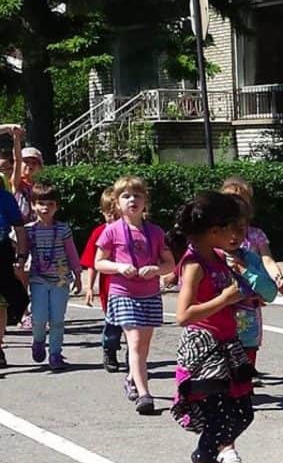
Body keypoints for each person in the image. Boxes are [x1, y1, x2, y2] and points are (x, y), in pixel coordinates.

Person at [169, 191, 254, 463]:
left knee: (243, 413)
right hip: (204, 351)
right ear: (213, 230)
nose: (235, 234)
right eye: (230, 227)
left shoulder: (218, 257)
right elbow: (183, 314)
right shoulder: (193, 263)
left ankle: (203, 459)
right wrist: (224, 298)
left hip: (227, 346)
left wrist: (243, 297)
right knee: (219, 421)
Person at [95, 176, 175, 415]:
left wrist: (156, 269)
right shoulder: (112, 231)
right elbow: (99, 262)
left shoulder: (156, 232)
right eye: (126, 196)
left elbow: (169, 263)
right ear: (117, 203)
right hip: (123, 293)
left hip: (149, 293)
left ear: (145, 202)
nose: (132, 200)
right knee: (136, 343)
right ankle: (144, 394)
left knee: (143, 346)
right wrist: (119, 267)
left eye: (137, 195)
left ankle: (131, 378)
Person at [24, 182, 82, 370]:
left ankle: (55, 354)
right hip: (38, 278)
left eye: (50, 204)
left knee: (57, 318)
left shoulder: (63, 229)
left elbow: (71, 252)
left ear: (56, 206)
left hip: (61, 279)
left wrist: (78, 274)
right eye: (41, 203)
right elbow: (22, 252)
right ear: (33, 205)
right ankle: (38, 340)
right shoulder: (29, 230)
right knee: (39, 317)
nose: (45, 208)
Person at [224, 194, 280, 370]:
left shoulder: (249, 258)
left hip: (247, 333)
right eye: (228, 229)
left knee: (243, 385)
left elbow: (270, 293)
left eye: (240, 229)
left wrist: (244, 270)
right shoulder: (209, 258)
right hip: (219, 334)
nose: (234, 236)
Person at [81, 187, 124, 372]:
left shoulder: (130, 231)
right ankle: (110, 349)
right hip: (109, 288)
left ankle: (134, 355)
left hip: (131, 287)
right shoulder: (99, 233)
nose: (112, 219)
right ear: (103, 213)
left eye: (116, 215)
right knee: (113, 324)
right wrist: (90, 288)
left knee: (132, 324)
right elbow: (92, 263)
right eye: (109, 215)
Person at [221, 175, 283, 294]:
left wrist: (278, 277)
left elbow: (267, 259)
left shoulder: (256, 234)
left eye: (243, 201)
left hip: (252, 290)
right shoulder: (216, 235)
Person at [0, 183, 29, 367]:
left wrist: (21, 255)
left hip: (1, 253)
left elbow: (19, 228)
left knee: (1, 304)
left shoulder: (5, 197)